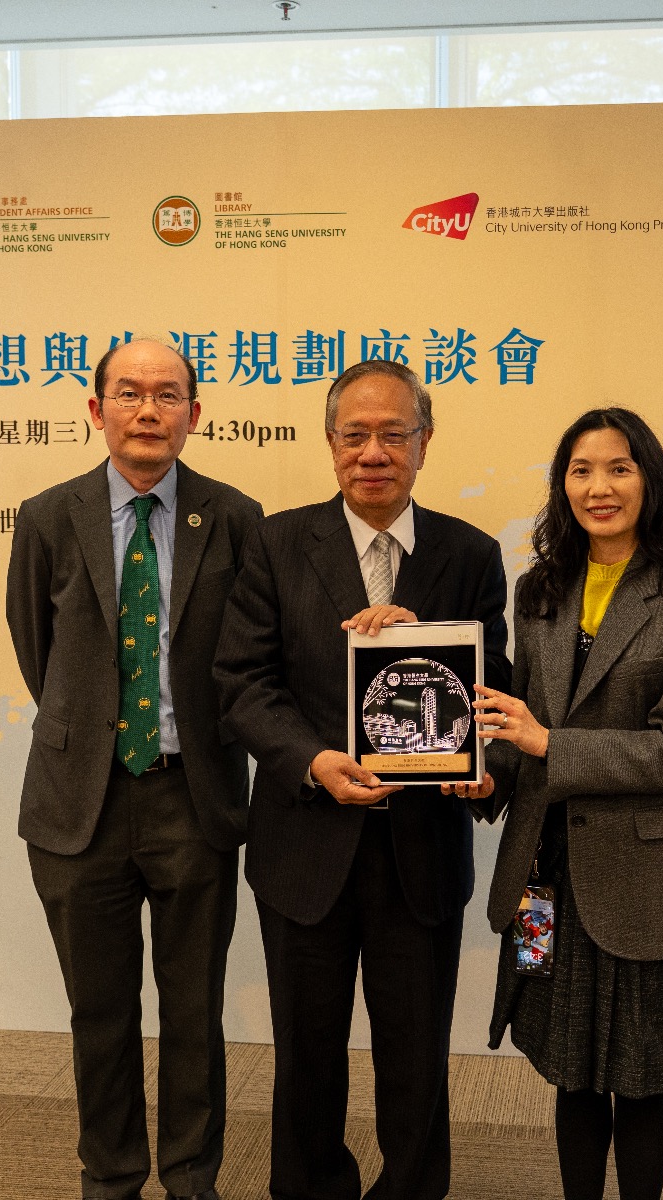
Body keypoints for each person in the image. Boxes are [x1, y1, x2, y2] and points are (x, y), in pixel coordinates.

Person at [212, 358, 511, 1200]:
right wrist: (313, 761)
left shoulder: (469, 553)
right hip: (305, 845)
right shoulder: (276, 543)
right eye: (355, 435)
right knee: (306, 1056)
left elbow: (495, 687)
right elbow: (242, 682)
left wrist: (432, 658)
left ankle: (412, 1189)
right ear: (330, 441)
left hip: (421, 849)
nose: (373, 452)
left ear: (424, 441)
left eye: (393, 434)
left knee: (415, 1057)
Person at [6, 336, 264, 1200]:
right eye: (128, 392)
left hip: (194, 797)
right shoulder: (48, 516)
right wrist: (97, 731)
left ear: (194, 414)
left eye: (167, 394)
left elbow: (249, 653)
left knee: (194, 1010)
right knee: (99, 1012)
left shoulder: (235, 517)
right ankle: (111, 1178)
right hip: (79, 803)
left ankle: (191, 1179)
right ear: (96, 410)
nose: (148, 410)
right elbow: (36, 646)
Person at [475, 407, 663, 1200]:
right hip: (545, 875)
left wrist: (545, 743)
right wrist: (484, 774)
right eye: (581, 470)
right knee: (568, 1071)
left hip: (646, 881)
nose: (599, 487)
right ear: (563, 485)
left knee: (642, 1079)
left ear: (650, 480)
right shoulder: (540, 590)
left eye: (619, 468)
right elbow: (519, 723)